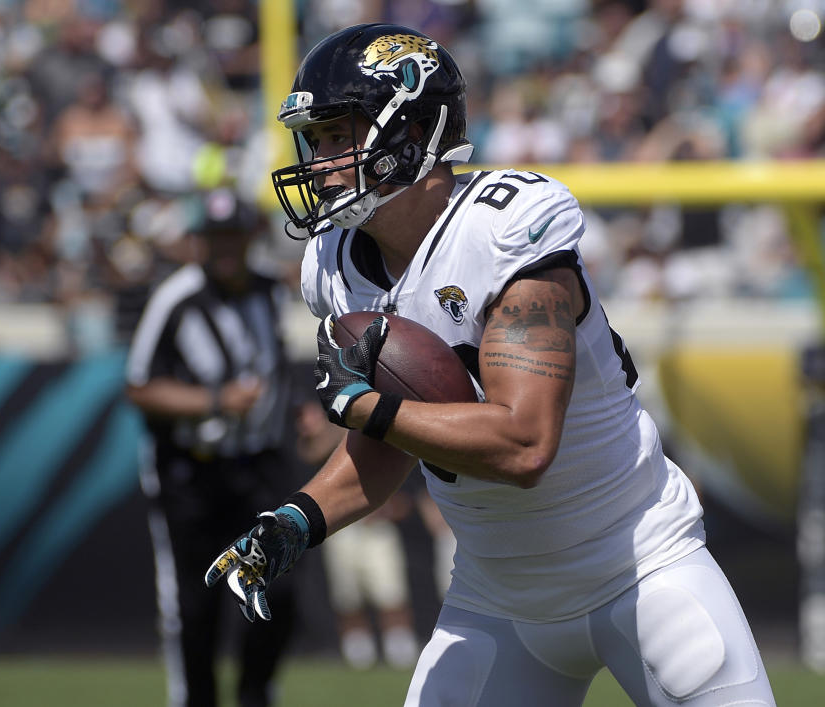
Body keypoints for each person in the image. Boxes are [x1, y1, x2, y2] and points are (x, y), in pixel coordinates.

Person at [204, 23, 778, 706]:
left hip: (640, 566)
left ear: (412, 133)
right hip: (497, 596)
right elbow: (398, 437)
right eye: (317, 141)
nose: (321, 161)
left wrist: (362, 405)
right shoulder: (336, 266)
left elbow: (525, 444)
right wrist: (296, 520)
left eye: (339, 137)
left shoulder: (506, 229)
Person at [125, 187, 297, 707]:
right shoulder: (176, 298)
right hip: (190, 471)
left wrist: (302, 415)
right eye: (214, 237)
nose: (225, 249)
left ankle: (255, 692)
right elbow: (141, 386)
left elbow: (277, 368)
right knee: (196, 605)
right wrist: (215, 400)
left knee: (279, 593)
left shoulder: (271, 292)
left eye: (233, 236)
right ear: (199, 242)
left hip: (259, 463)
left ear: (250, 238)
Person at [295, 398, 418, 670]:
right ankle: (358, 652)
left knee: (390, 590)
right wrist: (322, 427)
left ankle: (399, 648)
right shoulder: (322, 434)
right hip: (342, 529)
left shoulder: (375, 418)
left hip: (376, 527)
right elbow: (312, 452)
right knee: (347, 594)